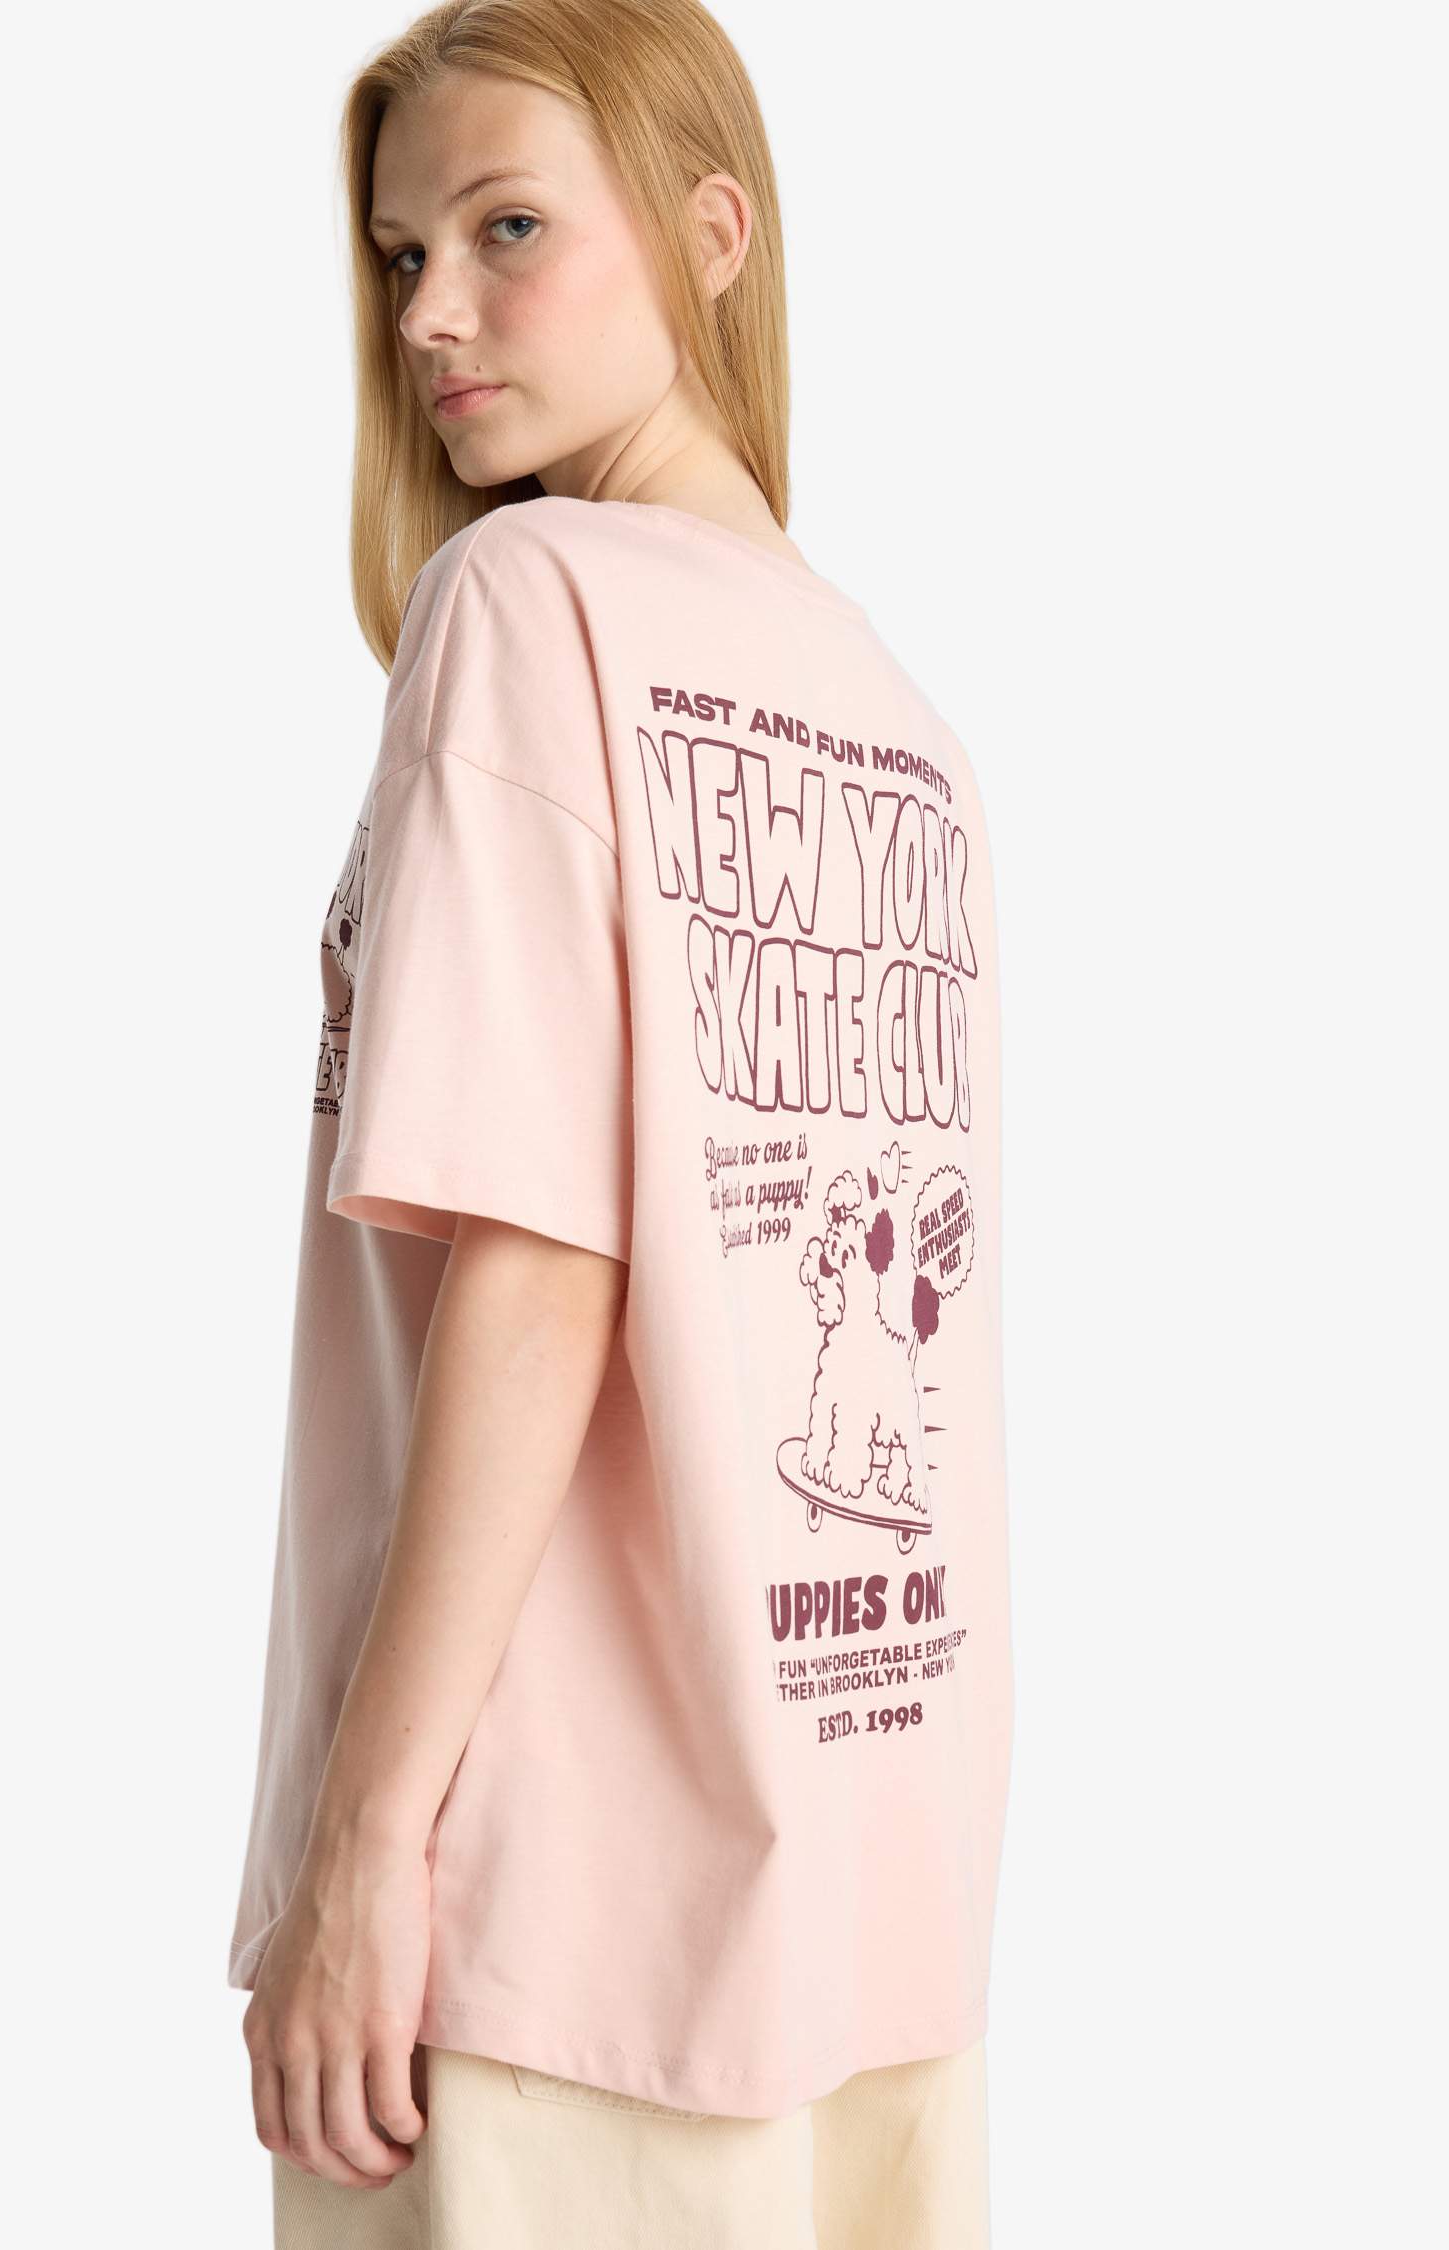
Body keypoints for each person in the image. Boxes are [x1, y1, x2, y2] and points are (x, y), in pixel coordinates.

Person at [226, 3, 1015, 2243]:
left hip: (543, 1925)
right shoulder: (904, 725)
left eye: (506, 230)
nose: (430, 316)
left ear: (710, 232)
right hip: (872, 1888)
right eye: (402, 256)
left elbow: (544, 1259)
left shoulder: (523, 600)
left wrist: (365, 1846)